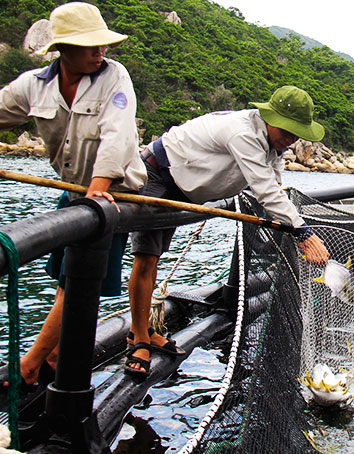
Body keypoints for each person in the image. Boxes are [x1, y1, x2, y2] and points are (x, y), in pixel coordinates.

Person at [124, 85, 330, 376]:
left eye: (296, 133)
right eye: (286, 130)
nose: (290, 138)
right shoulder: (242, 131)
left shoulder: (274, 146)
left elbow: (274, 185)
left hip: (183, 187)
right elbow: (265, 190)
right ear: (269, 117)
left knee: (154, 257)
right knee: (147, 258)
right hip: (160, 173)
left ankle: (142, 330)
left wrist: (290, 226)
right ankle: (139, 339)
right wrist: (303, 233)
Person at [0, 2, 146, 387]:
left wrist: (99, 188)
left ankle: (29, 366)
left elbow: (118, 132)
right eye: (90, 46)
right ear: (63, 49)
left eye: (103, 46)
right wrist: (85, 194)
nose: (101, 53)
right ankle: (51, 359)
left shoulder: (115, 76)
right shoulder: (34, 84)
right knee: (64, 279)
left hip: (112, 194)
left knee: (74, 282)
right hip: (75, 192)